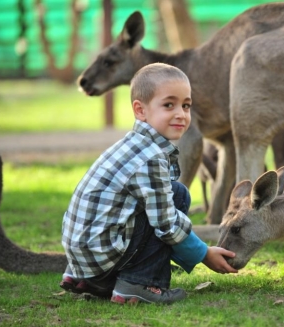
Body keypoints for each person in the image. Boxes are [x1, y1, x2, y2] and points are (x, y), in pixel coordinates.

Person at [59, 63, 237, 305]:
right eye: (168, 105)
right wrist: (203, 254)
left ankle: (92, 280)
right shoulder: (150, 157)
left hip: (84, 258)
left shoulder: (133, 144)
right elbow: (166, 224)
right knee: (177, 198)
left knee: (173, 192)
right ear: (140, 111)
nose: (181, 114)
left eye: (186, 106)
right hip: (99, 256)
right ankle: (140, 283)